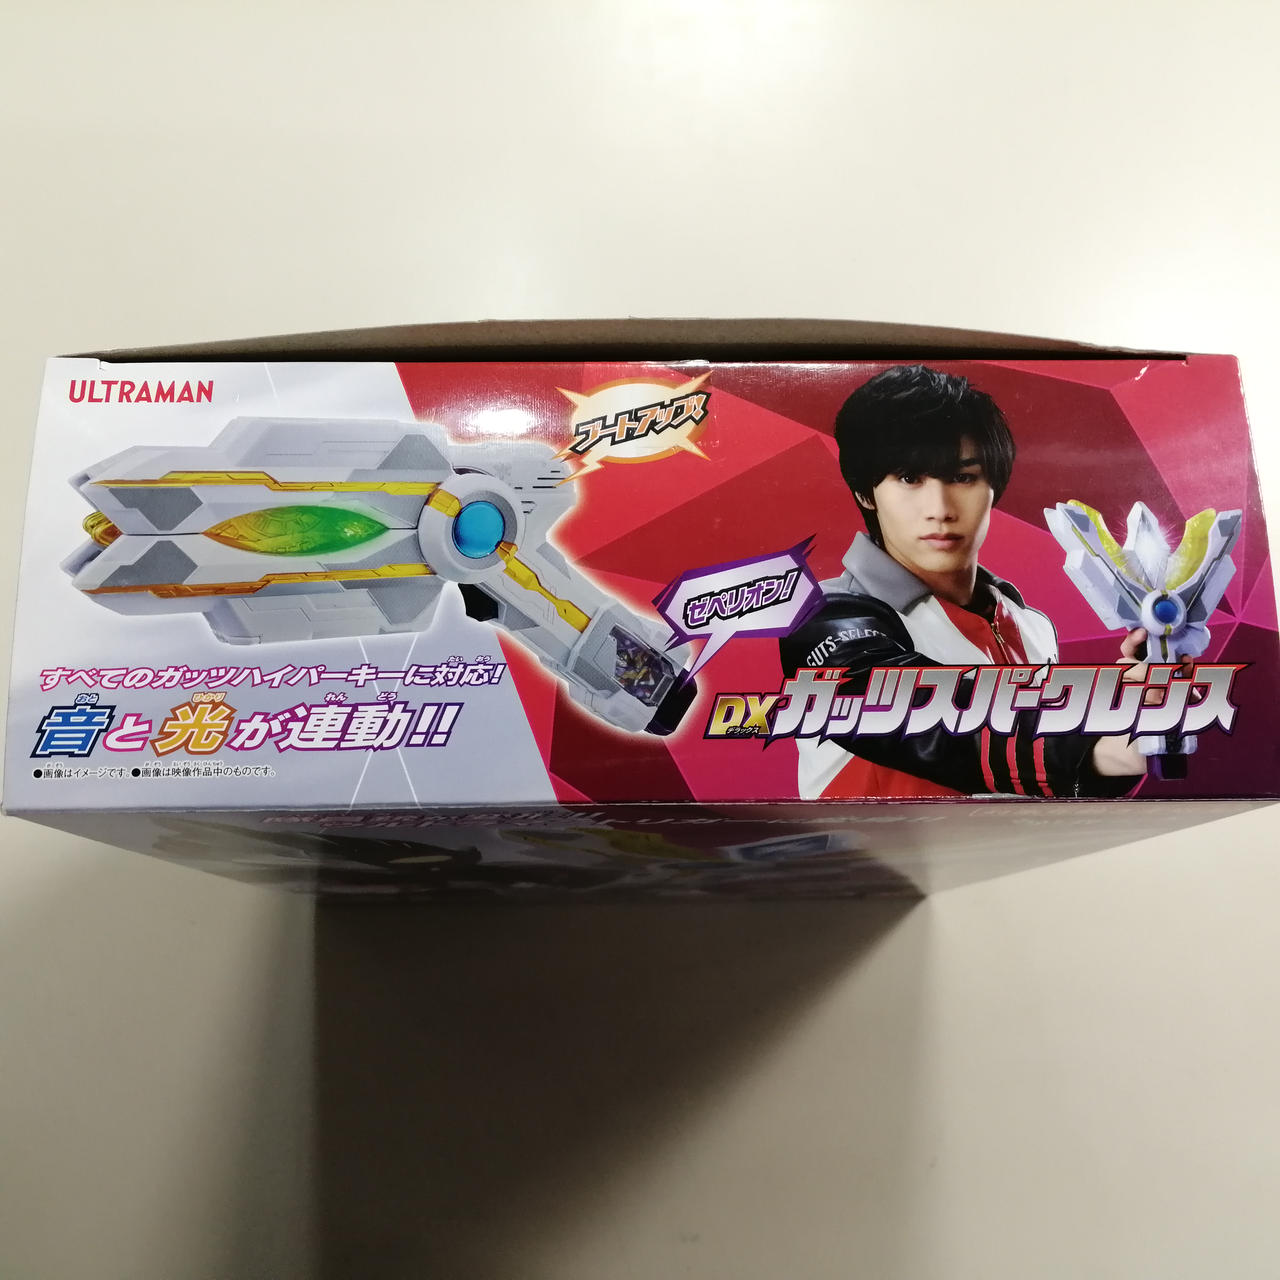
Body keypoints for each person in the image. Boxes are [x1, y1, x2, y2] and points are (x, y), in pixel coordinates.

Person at [779, 363, 1152, 799]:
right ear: (866, 492)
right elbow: (928, 720)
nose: (940, 508)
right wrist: (1092, 740)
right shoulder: (822, 620)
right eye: (909, 478)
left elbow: (1049, 784)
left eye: (962, 477)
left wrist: (1133, 711)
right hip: (870, 845)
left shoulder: (1030, 624)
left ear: (994, 487)